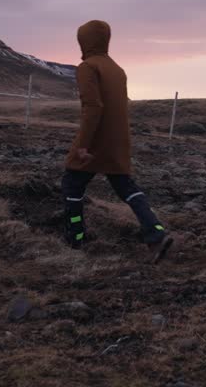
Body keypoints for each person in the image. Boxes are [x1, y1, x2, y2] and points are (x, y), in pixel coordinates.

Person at [61, 19, 174, 263]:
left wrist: (82, 144)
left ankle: (75, 237)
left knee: (72, 184)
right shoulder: (117, 69)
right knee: (126, 187)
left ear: (85, 41)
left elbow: (93, 107)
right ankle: (155, 233)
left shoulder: (88, 67)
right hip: (118, 141)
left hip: (94, 142)